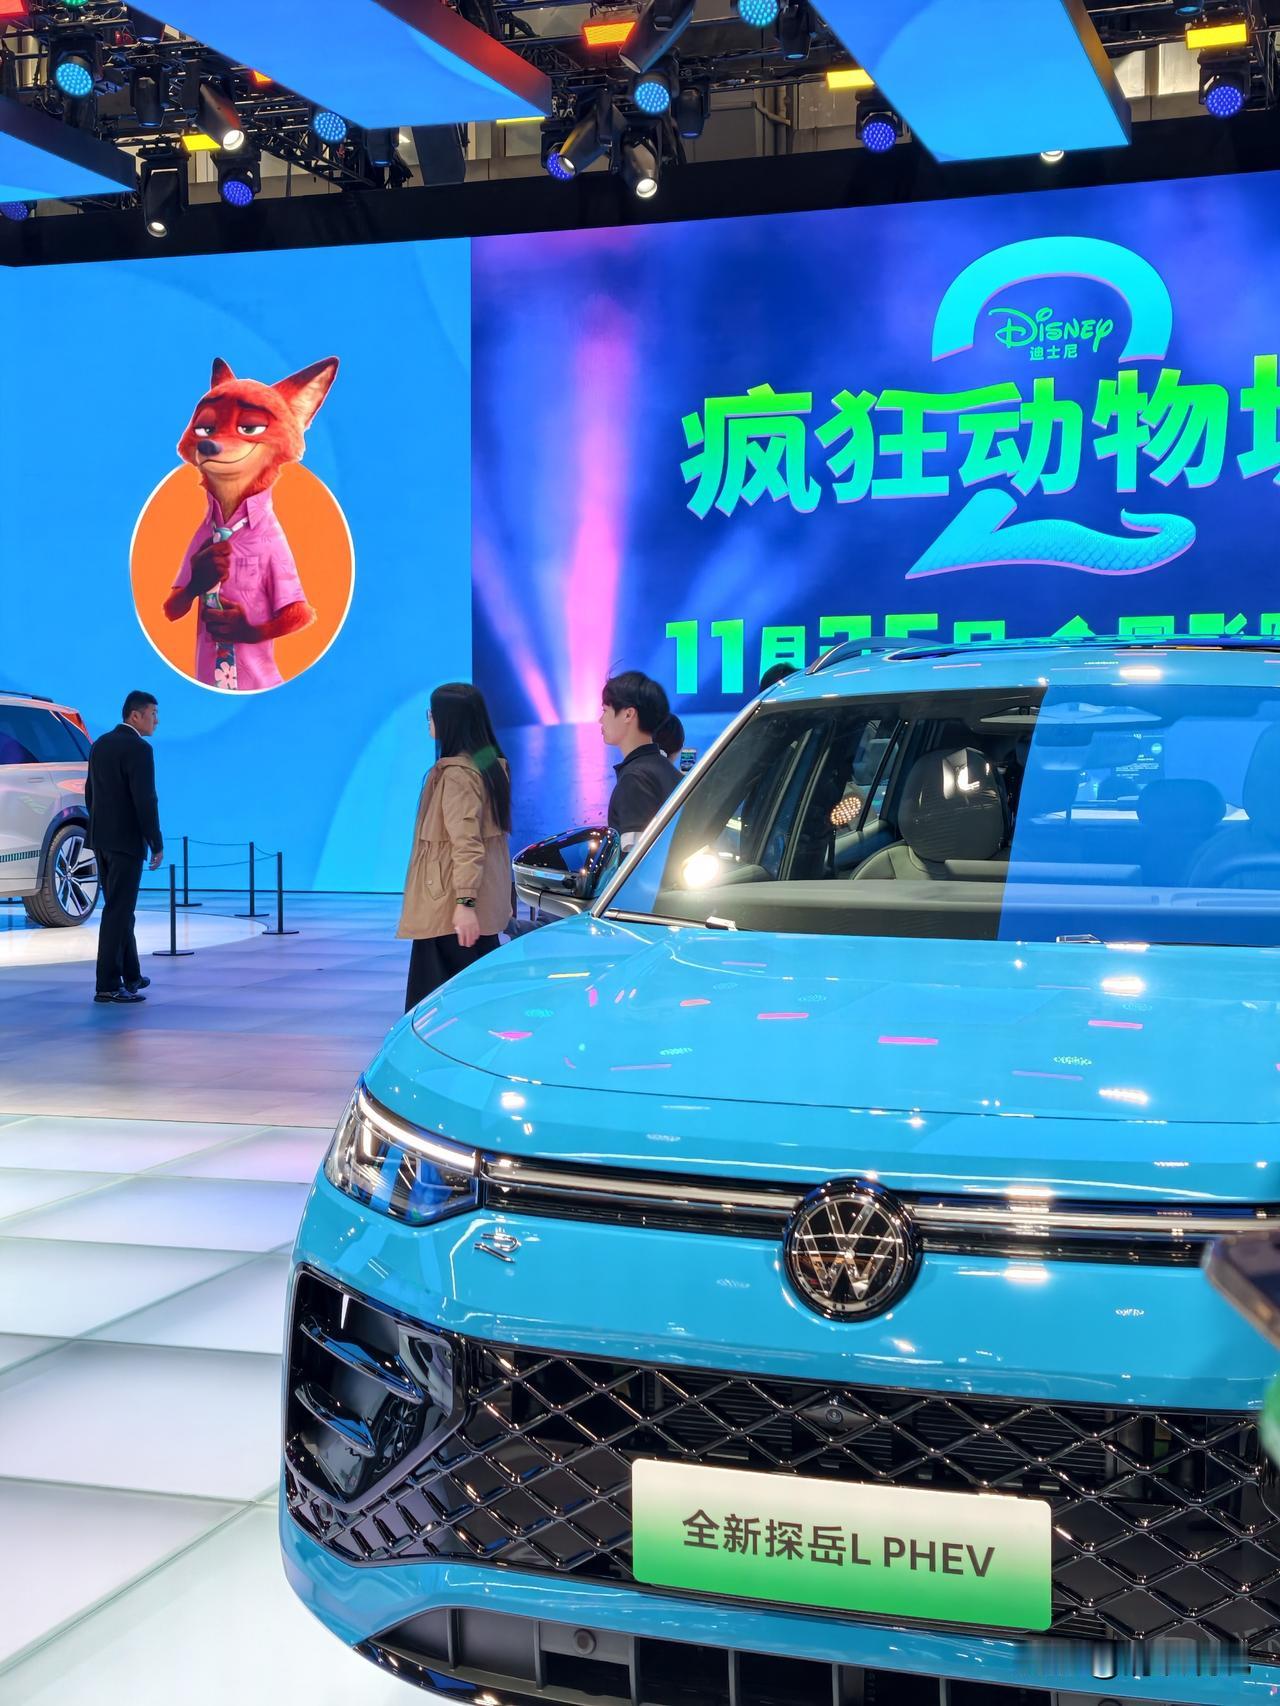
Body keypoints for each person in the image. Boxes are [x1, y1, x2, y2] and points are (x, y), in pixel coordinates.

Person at [398, 682, 512, 1012]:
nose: (429, 720)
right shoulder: (487, 766)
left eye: (432, 714)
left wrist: (465, 902)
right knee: (477, 1001)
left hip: (447, 911)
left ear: (449, 720)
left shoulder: (458, 776)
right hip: (463, 908)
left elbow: (467, 844)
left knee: (440, 1011)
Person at [85, 691, 163, 1005]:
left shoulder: (100, 744)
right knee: (118, 912)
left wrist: (100, 827)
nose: (156, 720)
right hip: (126, 843)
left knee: (120, 909)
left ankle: (131, 975)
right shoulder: (139, 749)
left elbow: (90, 792)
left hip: (101, 839)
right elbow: (145, 799)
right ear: (135, 715)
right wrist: (155, 841)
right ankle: (107, 984)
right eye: (153, 713)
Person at [600, 671, 681, 848]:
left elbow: (639, 858)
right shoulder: (666, 769)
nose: (600, 720)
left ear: (628, 714)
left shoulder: (635, 779)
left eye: (605, 711)